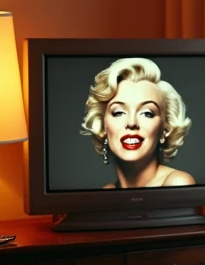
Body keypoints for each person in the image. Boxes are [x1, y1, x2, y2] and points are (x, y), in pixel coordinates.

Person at [81, 57, 196, 189]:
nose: (132, 123)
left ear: (165, 129)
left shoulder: (178, 183)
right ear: (102, 127)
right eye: (118, 112)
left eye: (147, 113)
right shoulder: (104, 194)